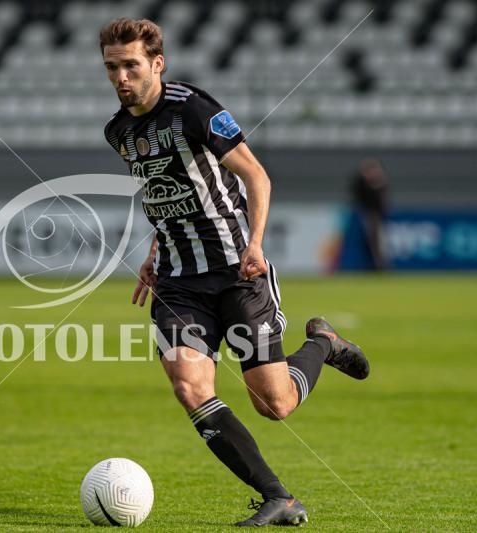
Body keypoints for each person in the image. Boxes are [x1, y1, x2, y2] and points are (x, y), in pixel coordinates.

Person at [100, 18, 370, 527]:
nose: (121, 77)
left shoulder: (193, 108)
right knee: (189, 386)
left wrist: (255, 244)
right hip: (179, 282)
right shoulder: (118, 131)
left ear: (157, 64)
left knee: (274, 404)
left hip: (235, 272)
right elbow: (164, 193)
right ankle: (278, 496)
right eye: (112, 67)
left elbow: (256, 176)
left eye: (131, 65)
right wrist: (155, 250)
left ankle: (323, 344)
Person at [351, 157, 389, 270]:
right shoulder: (361, 183)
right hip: (367, 214)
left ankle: (380, 265)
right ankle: (374, 265)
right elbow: (358, 196)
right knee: (369, 242)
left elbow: (382, 201)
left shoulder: (379, 183)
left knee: (378, 242)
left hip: (376, 216)